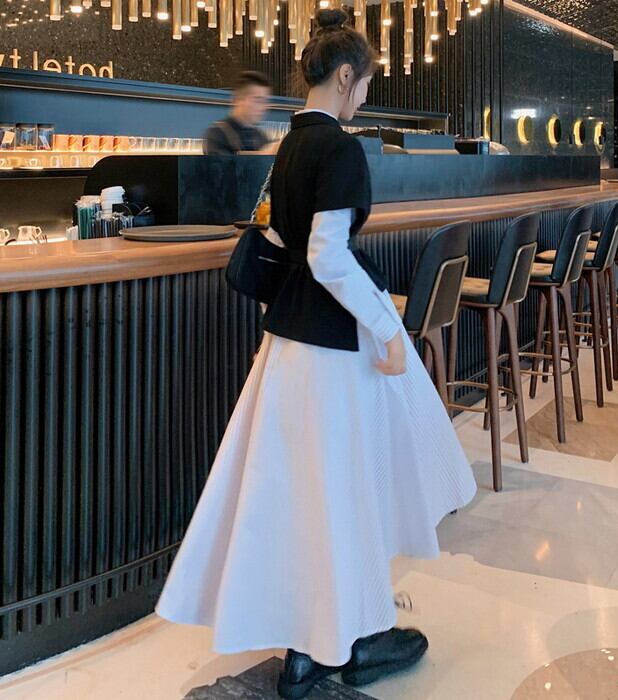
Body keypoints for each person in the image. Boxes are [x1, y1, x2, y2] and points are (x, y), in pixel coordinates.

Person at [155, 9, 476, 700]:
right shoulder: (339, 149)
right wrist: (386, 329)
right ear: (346, 75)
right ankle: (349, 639)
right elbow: (329, 256)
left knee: (305, 493)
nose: (366, 95)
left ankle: (313, 644)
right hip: (334, 347)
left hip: (291, 342)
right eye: (367, 83)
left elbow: (280, 244)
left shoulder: (290, 145)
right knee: (347, 487)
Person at [204, 70, 276, 154]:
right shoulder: (217, 135)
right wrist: (266, 154)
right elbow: (224, 162)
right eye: (258, 100)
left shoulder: (260, 137)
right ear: (238, 100)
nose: (264, 107)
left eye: (266, 101)